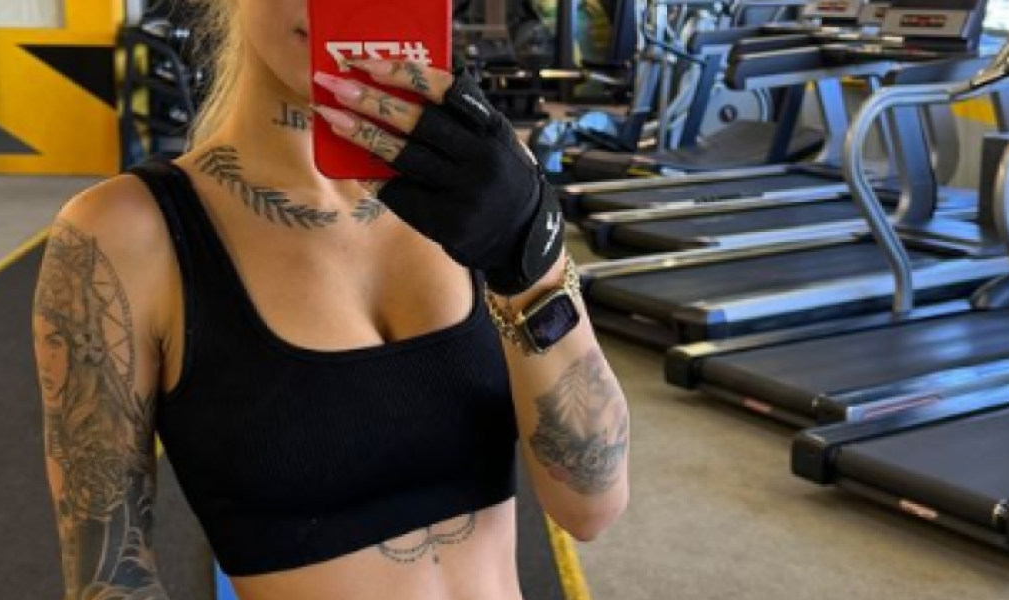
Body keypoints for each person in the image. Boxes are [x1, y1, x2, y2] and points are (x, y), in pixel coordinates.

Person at [32, 1, 630, 598]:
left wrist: (530, 267)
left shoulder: (485, 187)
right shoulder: (121, 236)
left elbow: (592, 505)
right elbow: (109, 579)